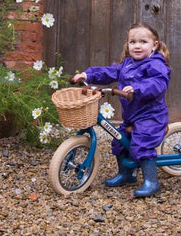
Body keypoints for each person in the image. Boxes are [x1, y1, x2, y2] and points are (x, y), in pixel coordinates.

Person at [71, 22, 170, 197]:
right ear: (128, 44)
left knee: (142, 144)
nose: (137, 46)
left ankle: (152, 182)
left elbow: (158, 83)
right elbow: (109, 72)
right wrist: (87, 75)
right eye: (133, 42)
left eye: (143, 42)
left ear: (154, 45)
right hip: (132, 117)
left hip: (151, 117)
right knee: (118, 141)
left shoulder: (156, 64)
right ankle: (127, 174)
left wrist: (137, 88)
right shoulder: (127, 64)